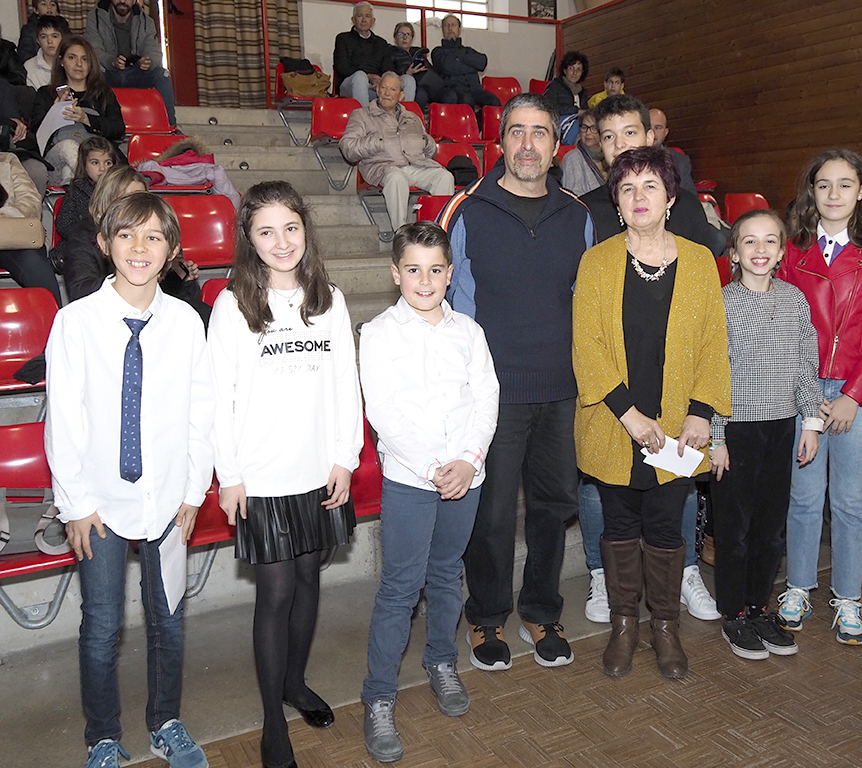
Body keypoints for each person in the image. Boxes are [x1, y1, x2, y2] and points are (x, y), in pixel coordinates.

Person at [44, 191, 214, 768]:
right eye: (126, 235)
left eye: (153, 238)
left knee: (169, 620)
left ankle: (166, 722)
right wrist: (75, 505)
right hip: (99, 504)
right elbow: (64, 422)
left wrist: (193, 492)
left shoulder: (187, 323)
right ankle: (104, 737)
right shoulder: (75, 324)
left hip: (167, 500)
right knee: (102, 626)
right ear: (103, 243)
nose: (139, 249)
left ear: (171, 250)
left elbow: (200, 411)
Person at [436, 92, 594, 672]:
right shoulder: (465, 210)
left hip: (561, 390)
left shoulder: (578, 216)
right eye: (517, 132)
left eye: (541, 134)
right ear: (499, 142)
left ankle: (542, 610)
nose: (528, 144)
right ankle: (486, 618)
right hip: (492, 395)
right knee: (494, 514)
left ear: (557, 148)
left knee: (553, 507)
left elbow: (585, 304)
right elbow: (442, 308)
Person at [209, 181, 363, 768]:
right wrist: (231, 475)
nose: (281, 241)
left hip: (319, 466)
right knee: (274, 593)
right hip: (262, 475)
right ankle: (274, 723)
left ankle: (294, 684)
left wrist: (345, 456)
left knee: (307, 578)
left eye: (290, 228)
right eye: (266, 231)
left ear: (306, 231)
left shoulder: (330, 299)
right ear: (248, 239)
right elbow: (218, 399)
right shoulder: (233, 306)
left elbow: (346, 384)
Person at [573, 145, 729, 679]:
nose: (639, 198)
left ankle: (665, 627)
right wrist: (629, 415)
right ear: (616, 201)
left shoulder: (700, 259)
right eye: (627, 188)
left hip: (680, 426)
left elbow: (713, 343)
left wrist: (702, 412)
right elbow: (586, 344)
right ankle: (623, 626)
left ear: (669, 198)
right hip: (616, 423)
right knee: (617, 526)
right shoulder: (597, 261)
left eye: (650, 187)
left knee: (666, 528)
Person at [358, 221, 499, 764]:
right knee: (399, 587)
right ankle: (378, 696)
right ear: (396, 274)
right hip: (412, 482)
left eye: (435, 269)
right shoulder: (379, 333)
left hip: (467, 475)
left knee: (446, 575)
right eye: (413, 269)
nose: (425, 279)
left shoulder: (469, 331)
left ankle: (441, 661)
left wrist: (468, 461)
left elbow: (486, 397)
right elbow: (384, 411)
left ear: (450, 272)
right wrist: (438, 467)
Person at [775, 149, 862, 646]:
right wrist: (810, 396)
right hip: (804, 389)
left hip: (857, 392)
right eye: (823, 185)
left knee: (848, 502)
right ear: (811, 191)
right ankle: (798, 587)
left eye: (844, 185)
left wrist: (852, 395)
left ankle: (847, 597)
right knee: (803, 499)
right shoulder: (794, 247)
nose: (833, 194)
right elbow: (785, 326)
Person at [709, 209, 823, 660]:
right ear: (734, 253)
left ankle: (759, 606)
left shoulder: (795, 300)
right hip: (735, 431)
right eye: (749, 242)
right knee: (734, 530)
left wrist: (810, 421)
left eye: (770, 241)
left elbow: (804, 365)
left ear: (781, 251)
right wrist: (716, 437)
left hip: (780, 428)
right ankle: (734, 613)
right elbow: (711, 374)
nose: (760, 250)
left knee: (770, 528)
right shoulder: (721, 302)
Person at [62, 165, 208, 328]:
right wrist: (132, 283)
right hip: (106, 320)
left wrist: (184, 279)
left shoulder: (159, 233)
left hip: (158, 316)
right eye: (127, 198)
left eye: (140, 198)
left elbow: (183, 298)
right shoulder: (83, 236)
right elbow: (80, 291)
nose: (136, 206)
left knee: (205, 317)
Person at [582, 96, 724, 256]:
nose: (619, 144)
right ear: (601, 145)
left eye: (629, 132)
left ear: (649, 138)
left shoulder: (685, 206)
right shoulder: (585, 211)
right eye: (609, 136)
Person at [340, 71, 454, 230]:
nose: (387, 93)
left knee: (444, 176)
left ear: (401, 95)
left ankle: (439, 231)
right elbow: (348, 149)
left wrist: (427, 141)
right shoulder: (361, 115)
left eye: (392, 89)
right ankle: (401, 233)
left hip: (415, 165)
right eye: (383, 88)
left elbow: (430, 150)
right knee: (396, 178)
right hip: (383, 167)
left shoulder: (412, 117)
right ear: (377, 90)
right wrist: (378, 141)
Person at [31, 36, 125, 186]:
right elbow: (37, 135)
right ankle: (96, 191)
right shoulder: (46, 93)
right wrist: (54, 112)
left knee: (73, 172)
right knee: (69, 147)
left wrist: (87, 119)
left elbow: (118, 129)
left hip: (96, 161)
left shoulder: (103, 94)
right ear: (61, 61)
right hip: (58, 160)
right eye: (72, 58)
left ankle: (80, 193)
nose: (79, 64)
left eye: (85, 59)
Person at [85, 0, 176, 126]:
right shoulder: (94, 17)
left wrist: (149, 63)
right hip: (108, 72)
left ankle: (170, 126)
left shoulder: (147, 22)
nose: (123, 1)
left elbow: (154, 51)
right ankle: (92, 124)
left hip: (136, 73)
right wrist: (111, 61)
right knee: (92, 72)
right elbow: (93, 50)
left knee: (163, 75)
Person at [0, 150, 61, 303]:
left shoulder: (7, 160)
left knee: (34, 263)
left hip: (11, 234)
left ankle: (54, 320)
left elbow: (30, 199)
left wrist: (8, 215)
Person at [50, 135, 117, 269]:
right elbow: (64, 224)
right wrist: (91, 237)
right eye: (95, 163)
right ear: (84, 165)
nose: (102, 168)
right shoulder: (76, 190)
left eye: (108, 163)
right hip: (81, 245)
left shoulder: (119, 190)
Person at [333, 2, 414, 107]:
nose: (364, 20)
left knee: (408, 80)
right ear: (353, 20)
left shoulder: (381, 43)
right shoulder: (343, 39)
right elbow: (342, 67)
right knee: (360, 76)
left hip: (377, 87)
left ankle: (403, 119)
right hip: (352, 85)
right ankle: (365, 120)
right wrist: (368, 76)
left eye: (367, 16)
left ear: (373, 21)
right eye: (359, 16)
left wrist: (382, 82)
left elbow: (388, 68)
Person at [431, 15, 500, 113]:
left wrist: (459, 58)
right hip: (455, 90)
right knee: (466, 100)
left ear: (459, 29)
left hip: (476, 90)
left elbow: (482, 63)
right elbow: (447, 67)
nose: (450, 28)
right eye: (447, 25)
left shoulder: (468, 50)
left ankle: (478, 125)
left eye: (453, 25)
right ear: (442, 29)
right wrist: (472, 66)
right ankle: (468, 126)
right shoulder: (437, 52)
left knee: (494, 102)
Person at [389, 21, 453, 112]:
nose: (405, 37)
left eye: (408, 34)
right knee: (421, 94)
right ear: (395, 37)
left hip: (429, 84)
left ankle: (443, 122)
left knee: (450, 94)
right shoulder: (390, 53)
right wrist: (407, 73)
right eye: (400, 34)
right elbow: (389, 73)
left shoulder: (418, 52)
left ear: (412, 38)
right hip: (409, 85)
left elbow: (430, 70)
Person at [648, 107, 697, 198]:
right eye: (649, 127)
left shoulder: (681, 161)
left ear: (665, 132)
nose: (653, 132)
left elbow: (691, 198)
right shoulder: (627, 159)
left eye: (658, 128)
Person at [558, 108, 606, 197]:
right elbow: (574, 197)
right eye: (584, 127)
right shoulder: (573, 158)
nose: (588, 132)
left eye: (593, 128)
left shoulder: (609, 157)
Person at [544, 51, 588, 145]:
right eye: (571, 68)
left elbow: (586, 111)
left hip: (578, 123)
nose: (574, 73)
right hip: (557, 122)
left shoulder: (582, 92)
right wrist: (576, 111)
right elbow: (549, 108)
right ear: (565, 70)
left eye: (578, 69)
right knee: (577, 124)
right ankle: (567, 147)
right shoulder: (554, 86)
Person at [24, 15, 64, 90]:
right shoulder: (29, 66)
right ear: (38, 40)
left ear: (62, 38)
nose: (49, 41)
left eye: (54, 36)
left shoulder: (70, 62)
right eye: (44, 37)